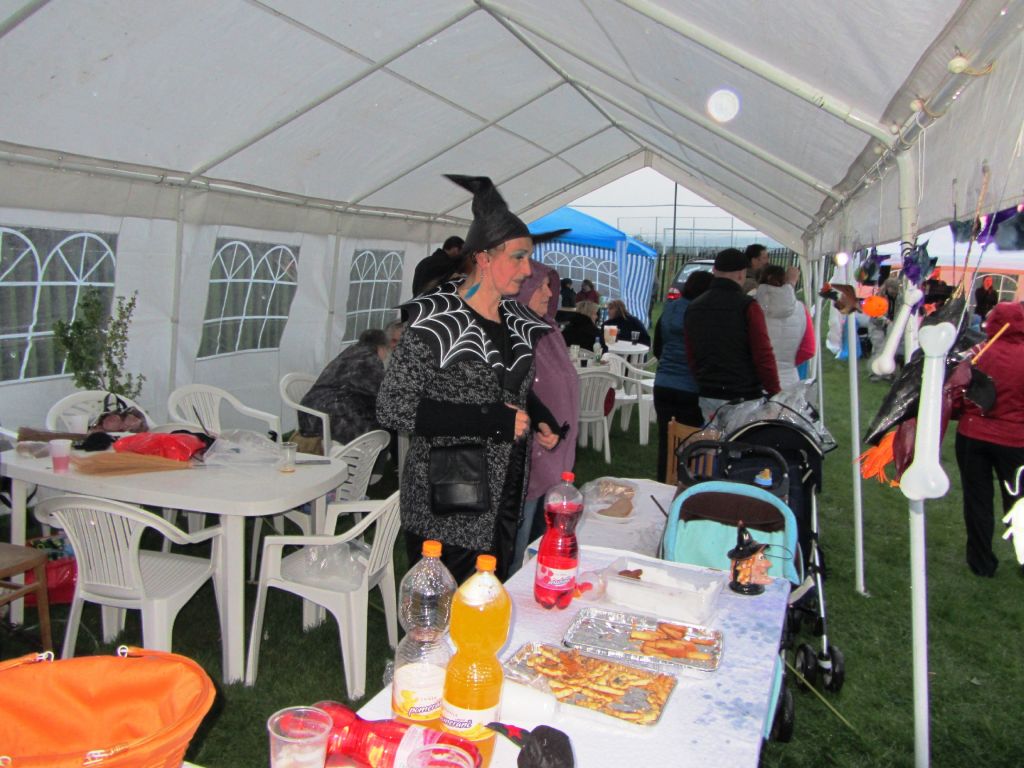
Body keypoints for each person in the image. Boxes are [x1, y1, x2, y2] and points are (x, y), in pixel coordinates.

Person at [377, 174, 567, 583]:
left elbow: (509, 389)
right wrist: (489, 420)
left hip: (505, 489)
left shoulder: (514, 318)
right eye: (518, 257)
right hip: (450, 499)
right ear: (483, 258)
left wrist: (541, 416)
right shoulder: (435, 319)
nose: (528, 270)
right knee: (446, 607)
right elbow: (393, 406)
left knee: (490, 594)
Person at [510, 261, 578, 574]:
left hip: (556, 454)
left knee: (544, 541)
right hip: (530, 457)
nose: (550, 293)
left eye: (550, 286)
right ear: (521, 289)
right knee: (518, 544)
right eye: (540, 286)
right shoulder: (513, 335)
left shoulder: (549, 331)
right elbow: (516, 392)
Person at [953, 301, 1024, 577]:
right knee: (1019, 503)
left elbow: (958, 392)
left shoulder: (977, 353)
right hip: (1015, 441)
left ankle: (981, 563)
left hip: (973, 436)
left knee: (977, 501)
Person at [685, 247, 781, 420]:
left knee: (713, 436)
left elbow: (691, 353)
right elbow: (763, 354)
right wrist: (775, 391)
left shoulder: (694, 306)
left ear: (715, 271)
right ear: (741, 274)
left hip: (708, 391)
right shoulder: (748, 306)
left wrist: (702, 379)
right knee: (740, 437)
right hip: (743, 394)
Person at [653, 269, 712, 482]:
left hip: (663, 383)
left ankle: (664, 481)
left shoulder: (669, 309)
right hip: (689, 385)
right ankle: (685, 483)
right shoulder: (701, 314)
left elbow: (658, 346)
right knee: (691, 441)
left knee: (666, 439)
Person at [297, 329, 389, 453]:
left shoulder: (349, 352)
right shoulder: (370, 359)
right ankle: (364, 463)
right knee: (381, 431)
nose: (386, 355)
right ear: (381, 347)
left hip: (309, 412)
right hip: (332, 415)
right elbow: (384, 394)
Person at [755, 265, 813, 391]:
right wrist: (787, 364)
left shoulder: (751, 307)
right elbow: (809, 349)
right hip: (789, 379)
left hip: (757, 379)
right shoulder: (801, 309)